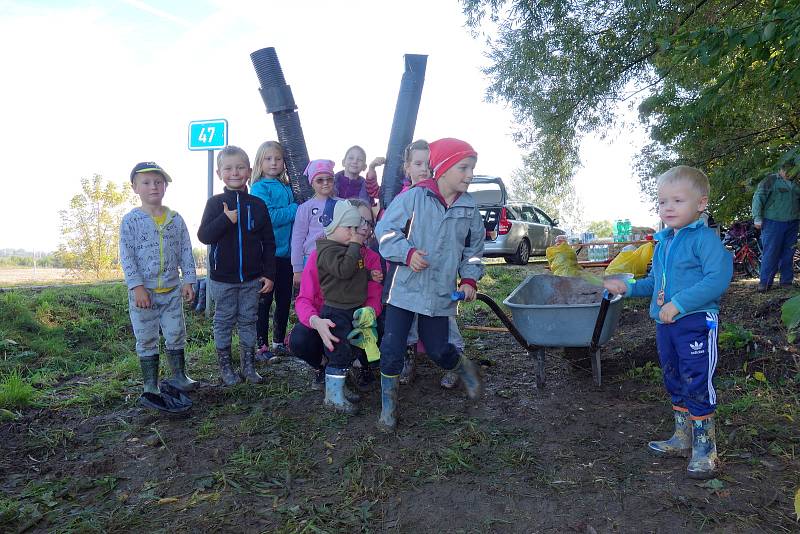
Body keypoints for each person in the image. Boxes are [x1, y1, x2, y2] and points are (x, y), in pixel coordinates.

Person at [603, 165, 732, 479]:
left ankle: (705, 448)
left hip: (696, 322)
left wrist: (680, 303)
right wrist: (629, 287)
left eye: (677, 201)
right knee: (674, 376)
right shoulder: (663, 244)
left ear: (700, 204)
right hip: (666, 325)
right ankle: (682, 436)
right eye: (662, 202)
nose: (668, 208)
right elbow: (654, 283)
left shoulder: (704, 240)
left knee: (696, 378)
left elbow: (718, 278)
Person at [374, 137, 486, 432]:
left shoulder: (469, 208)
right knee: (392, 347)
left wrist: (470, 278)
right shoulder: (414, 197)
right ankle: (388, 405)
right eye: (464, 168)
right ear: (445, 168)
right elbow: (384, 231)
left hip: (439, 290)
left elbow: (474, 251)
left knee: (438, 349)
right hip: (405, 289)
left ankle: (466, 369)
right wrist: (407, 253)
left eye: (472, 168)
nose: (470, 175)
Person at [387, 140, 466, 390]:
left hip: (439, 277)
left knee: (445, 323)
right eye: (418, 163)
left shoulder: (444, 198)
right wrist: (406, 253)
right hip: (408, 275)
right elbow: (389, 234)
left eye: (428, 164)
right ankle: (408, 360)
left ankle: (456, 362)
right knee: (406, 322)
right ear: (406, 167)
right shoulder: (402, 199)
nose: (424, 169)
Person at [197, 146, 276, 386]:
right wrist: (225, 219)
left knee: (248, 320)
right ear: (220, 173)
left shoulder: (258, 204)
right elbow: (204, 236)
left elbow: (269, 242)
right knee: (223, 320)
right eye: (228, 168)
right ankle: (225, 367)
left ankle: (249, 366)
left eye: (240, 167)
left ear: (249, 171)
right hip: (222, 279)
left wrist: (269, 274)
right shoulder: (215, 203)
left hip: (252, 278)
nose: (235, 172)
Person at [287, 201, 384, 394]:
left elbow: (374, 294)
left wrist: (369, 313)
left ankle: (360, 366)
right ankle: (324, 367)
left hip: (357, 318)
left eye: (366, 222)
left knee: (382, 326)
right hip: (329, 317)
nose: (361, 229)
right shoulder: (321, 255)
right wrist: (315, 321)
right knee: (299, 338)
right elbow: (304, 298)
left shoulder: (371, 257)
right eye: (354, 223)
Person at [120, 162, 197, 397]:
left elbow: (186, 251)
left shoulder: (176, 219)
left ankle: (179, 376)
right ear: (135, 187)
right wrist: (137, 286)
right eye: (146, 182)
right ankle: (150, 385)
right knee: (146, 337)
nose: (153, 187)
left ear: (165, 186)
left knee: (176, 333)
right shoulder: (131, 221)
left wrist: (189, 280)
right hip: (145, 294)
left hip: (172, 291)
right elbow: (127, 256)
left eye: (158, 182)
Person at [250, 141, 298, 361]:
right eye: (268, 159)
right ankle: (261, 346)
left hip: (287, 255)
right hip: (266, 255)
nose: (273, 163)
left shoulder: (289, 187)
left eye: (278, 159)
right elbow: (269, 217)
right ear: (260, 162)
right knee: (264, 300)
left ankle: (279, 342)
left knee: (284, 299)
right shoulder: (259, 187)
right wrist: (296, 209)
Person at [752, 162, 800, 291]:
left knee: (789, 253)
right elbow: (758, 198)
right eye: (787, 170)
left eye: (793, 171)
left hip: (793, 223)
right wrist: (757, 218)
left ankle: (786, 282)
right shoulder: (770, 180)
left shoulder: (796, 183)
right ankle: (765, 283)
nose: (790, 173)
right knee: (771, 252)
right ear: (781, 169)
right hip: (773, 222)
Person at [290, 159, 338, 287]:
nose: (325, 183)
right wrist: (297, 269)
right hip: (311, 259)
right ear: (312, 182)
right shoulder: (305, 208)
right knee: (312, 295)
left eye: (329, 179)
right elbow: (297, 238)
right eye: (320, 180)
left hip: (337, 258)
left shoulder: (342, 204)